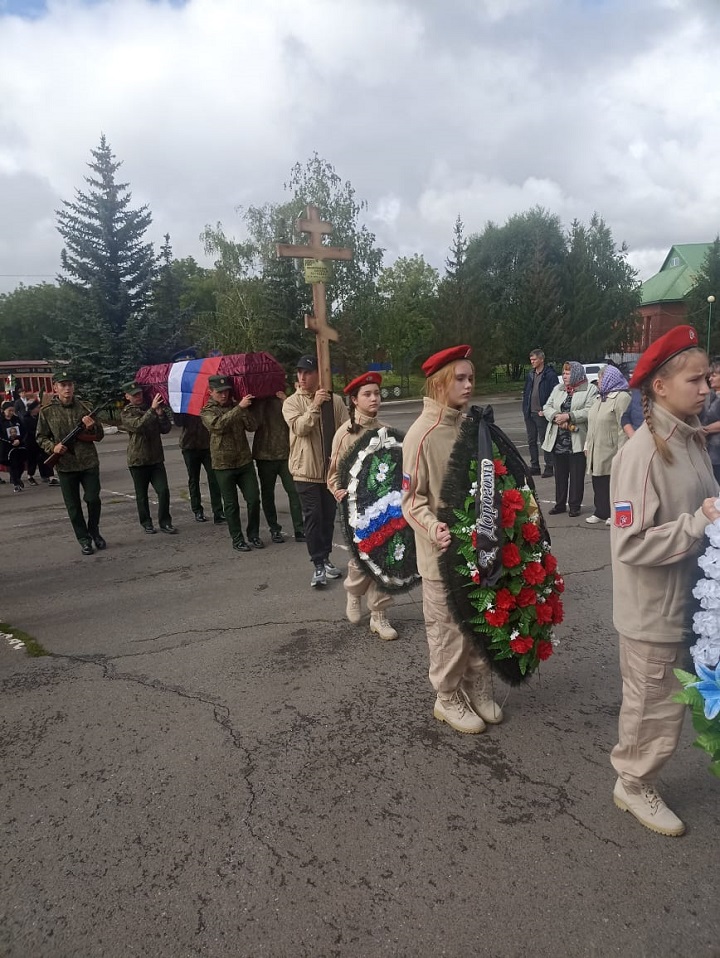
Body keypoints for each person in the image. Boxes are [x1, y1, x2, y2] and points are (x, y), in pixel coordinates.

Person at [610, 325, 719, 837]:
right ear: (660, 386)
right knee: (652, 710)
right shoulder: (644, 454)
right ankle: (632, 784)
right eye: (695, 380)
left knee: (668, 704)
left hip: (685, 604)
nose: (707, 389)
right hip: (653, 611)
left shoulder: (689, 439)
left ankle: (639, 775)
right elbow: (630, 544)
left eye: (708, 379)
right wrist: (699, 521)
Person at [402, 344, 503, 734]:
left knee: (478, 622)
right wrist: (433, 527)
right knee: (446, 629)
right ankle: (446, 696)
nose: (468, 385)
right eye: (459, 378)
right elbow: (411, 501)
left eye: (471, 378)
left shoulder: (468, 426)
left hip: (478, 549)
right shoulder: (421, 435)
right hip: (441, 554)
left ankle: (477, 685)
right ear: (439, 383)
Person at [327, 372, 398, 640]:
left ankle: (379, 616)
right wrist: (338, 491)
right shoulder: (344, 434)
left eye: (377, 394)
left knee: (387, 560)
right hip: (357, 509)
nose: (374, 399)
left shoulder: (386, 431)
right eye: (367, 394)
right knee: (362, 559)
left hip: (385, 507)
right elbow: (333, 473)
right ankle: (354, 592)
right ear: (354, 400)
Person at [283, 355, 349, 587]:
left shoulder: (336, 401)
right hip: (305, 471)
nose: (302, 377)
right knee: (313, 517)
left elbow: (346, 431)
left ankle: (327, 557)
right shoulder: (291, 402)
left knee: (328, 518)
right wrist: (315, 405)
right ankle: (318, 563)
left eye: (307, 372)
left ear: (319, 375)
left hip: (329, 471)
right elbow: (301, 428)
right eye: (299, 372)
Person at [35, 370, 105, 555]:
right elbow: (40, 436)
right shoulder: (47, 411)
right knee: (73, 507)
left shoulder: (85, 407)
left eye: (70, 385)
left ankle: (94, 531)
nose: (67, 388)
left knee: (93, 499)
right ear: (55, 388)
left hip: (88, 462)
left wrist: (93, 426)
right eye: (63, 385)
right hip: (65, 466)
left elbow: (99, 435)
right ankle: (84, 539)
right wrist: (53, 447)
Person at [200, 374, 262, 553]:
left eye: (226, 391)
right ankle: (237, 539)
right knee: (231, 504)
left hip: (243, 461)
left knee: (253, 499)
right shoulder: (207, 411)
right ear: (210, 392)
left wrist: (245, 408)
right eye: (219, 392)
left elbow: (252, 426)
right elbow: (218, 426)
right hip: (223, 465)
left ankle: (253, 534)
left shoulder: (236, 405)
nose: (223, 395)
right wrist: (238, 409)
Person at [542, 361, 598, 517]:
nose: (564, 376)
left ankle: (574, 506)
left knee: (576, 475)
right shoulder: (558, 388)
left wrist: (569, 416)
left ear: (576, 374)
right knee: (560, 476)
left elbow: (589, 410)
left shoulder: (590, 389)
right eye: (564, 373)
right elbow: (547, 406)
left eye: (568, 373)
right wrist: (555, 417)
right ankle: (560, 504)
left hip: (577, 440)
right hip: (557, 440)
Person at [120, 382, 176, 535]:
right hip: (138, 459)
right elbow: (138, 426)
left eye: (139, 394)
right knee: (142, 494)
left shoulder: (149, 407)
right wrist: (152, 410)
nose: (138, 397)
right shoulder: (127, 412)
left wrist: (160, 414)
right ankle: (146, 523)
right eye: (134, 395)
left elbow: (165, 429)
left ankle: (165, 522)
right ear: (127, 396)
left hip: (156, 458)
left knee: (163, 491)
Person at [253, 391, 305, 544]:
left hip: (286, 454)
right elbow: (252, 424)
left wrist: (285, 400)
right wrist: (257, 404)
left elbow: (300, 420)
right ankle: (274, 529)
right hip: (264, 456)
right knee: (268, 494)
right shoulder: (257, 402)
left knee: (294, 492)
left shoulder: (286, 400)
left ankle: (299, 529)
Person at [584, 365, 631, 525]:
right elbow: (592, 424)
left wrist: (622, 450)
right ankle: (601, 511)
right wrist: (586, 444)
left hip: (611, 448)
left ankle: (614, 512)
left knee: (613, 482)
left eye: (601, 378)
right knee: (598, 480)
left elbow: (623, 426)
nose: (599, 381)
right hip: (596, 447)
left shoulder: (622, 397)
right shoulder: (599, 397)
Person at [176, 413, 225, 524]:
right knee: (193, 479)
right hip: (189, 446)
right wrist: (178, 411)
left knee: (214, 478)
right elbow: (178, 422)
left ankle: (218, 511)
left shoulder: (206, 405)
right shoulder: (186, 405)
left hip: (207, 445)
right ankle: (197, 510)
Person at [521, 348, 557, 477]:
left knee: (544, 441)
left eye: (534, 359)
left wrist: (547, 410)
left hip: (542, 413)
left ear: (541, 359)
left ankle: (549, 466)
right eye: (531, 360)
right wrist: (525, 407)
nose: (532, 362)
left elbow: (555, 393)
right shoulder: (531, 375)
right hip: (530, 412)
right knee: (531, 441)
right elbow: (526, 391)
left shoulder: (549, 375)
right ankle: (535, 466)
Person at [20, 400, 56, 486]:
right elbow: (27, 431)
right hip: (31, 442)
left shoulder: (40, 417)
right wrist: (38, 433)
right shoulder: (26, 419)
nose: (39, 409)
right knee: (32, 459)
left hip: (42, 441)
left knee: (46, 457)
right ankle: (30, 476)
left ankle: (50, 476)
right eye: (37, 407)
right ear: (32, 409)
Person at [699, 357, 720, 484]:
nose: (710, 378)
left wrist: (703, 430)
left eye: (714, 375)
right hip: (710, 452)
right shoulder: (711, 395)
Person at [0, 401, 26, 491]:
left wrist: (19, 439)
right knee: (13, 465)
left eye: (12, 411)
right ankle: (16, 483)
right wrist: (10, 441)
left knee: (21, 465)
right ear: (4, 411)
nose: (11, 413)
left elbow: (23, 430)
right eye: (9, 411)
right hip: (7, 447)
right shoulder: (1, 421)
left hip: (19, 445)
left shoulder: (16, 419)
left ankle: (17, 478)